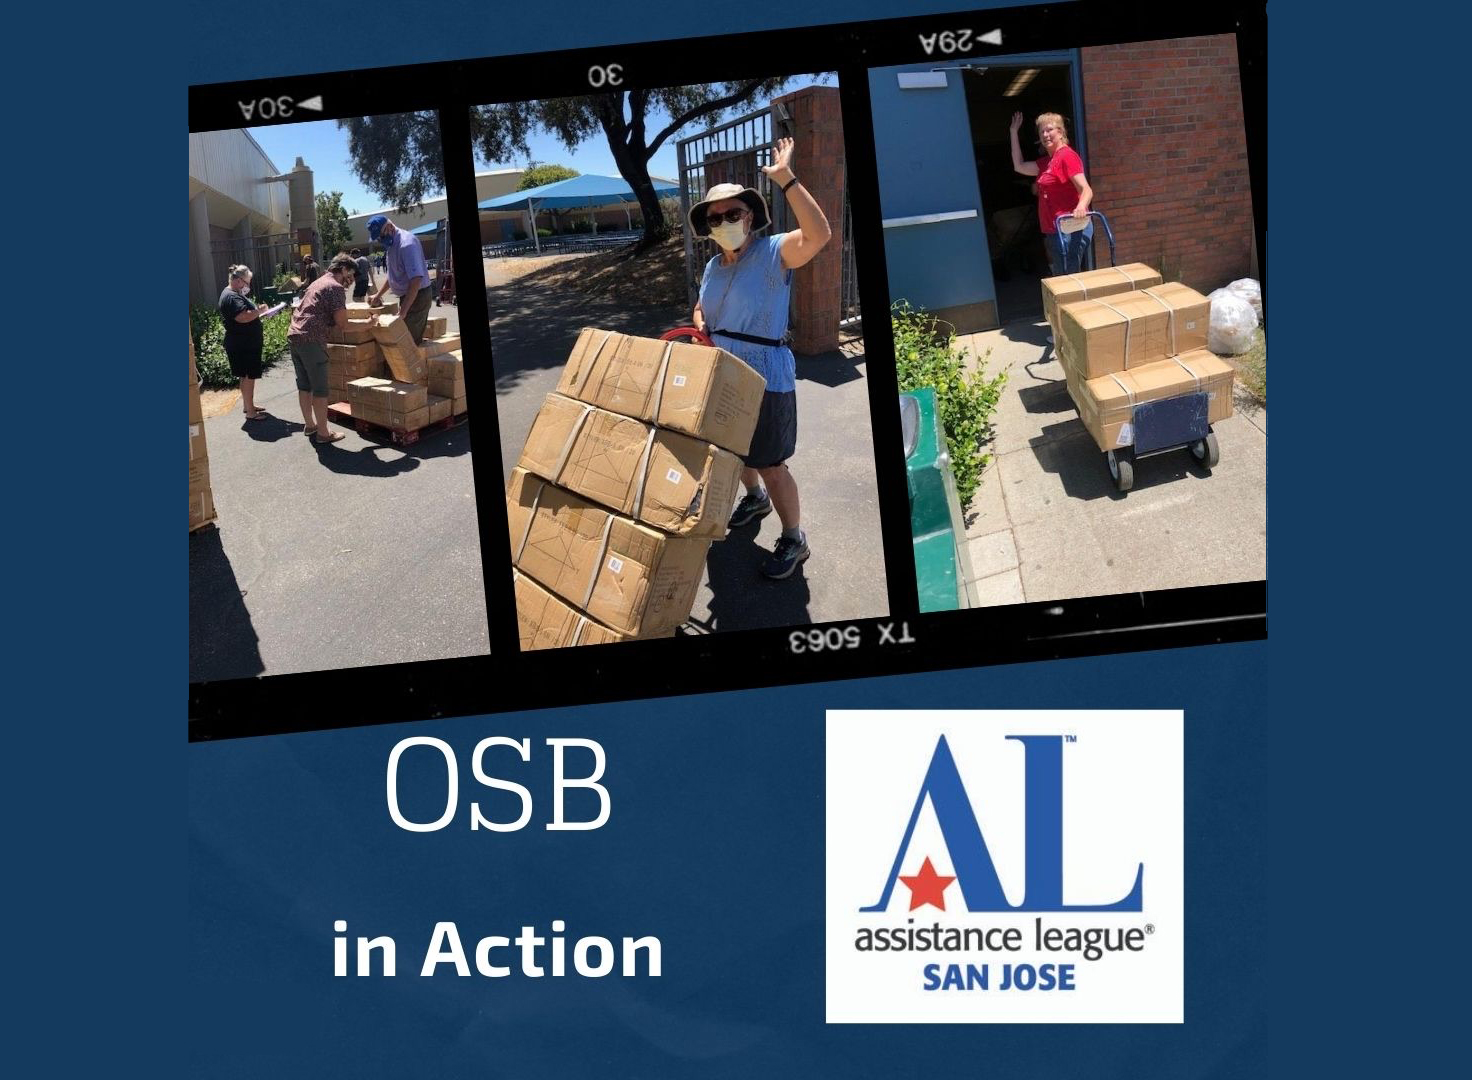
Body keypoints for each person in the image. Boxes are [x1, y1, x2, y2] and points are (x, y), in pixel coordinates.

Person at [689, 136, 832, 580]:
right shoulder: (714, 268)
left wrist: (786, 178)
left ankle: (794, 537)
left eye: (734, 213)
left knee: (770, 462)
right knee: (733, 452)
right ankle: (754, 501)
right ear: (708, 226)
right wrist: (698, 329)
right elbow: (702, 307)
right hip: (723, 373)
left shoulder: (774, 253)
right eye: (717, 217)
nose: (725, 221)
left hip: (766, 377)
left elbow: (820, 235)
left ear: (750, 217)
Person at [286, 253, 357, 445]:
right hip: (312, 339)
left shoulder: (318, 282)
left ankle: (310, 425)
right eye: (350, 275)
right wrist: (368, 324)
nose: (350, 281)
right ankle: (324, 433)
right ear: (342, 269)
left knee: (304, 385)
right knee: (320, 388)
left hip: (295, 336)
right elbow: (343, 324)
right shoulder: (335, 287)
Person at [367, 214, 432, 344]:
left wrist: (403, 312)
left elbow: (416, 280)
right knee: (402, 341)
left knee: (407, 343)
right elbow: (393, 275)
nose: (380, 240)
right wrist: (378, 295)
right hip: (408, 296)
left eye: (381, 236)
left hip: (418, 296)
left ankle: (416, 365)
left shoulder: (407, 244)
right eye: (378, 238)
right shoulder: (391, 245)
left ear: (390, 227)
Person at [218, 264, 271, 420]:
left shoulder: (232, 293)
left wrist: (257, 313)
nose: (247, 286)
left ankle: (248, 405)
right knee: (248, 376)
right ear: (238, 280)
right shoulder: (231, 296)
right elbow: (243, 317)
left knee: (245, 376)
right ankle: (250, 412)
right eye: (247, 282)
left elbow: (245, 315)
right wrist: (260, 311)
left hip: (243, 343)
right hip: (244, 344)